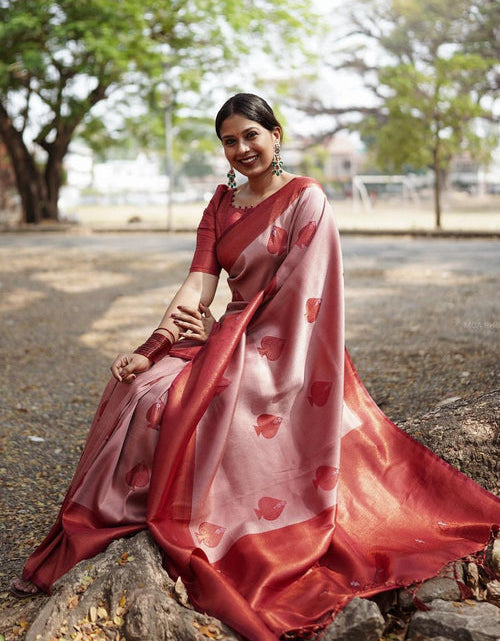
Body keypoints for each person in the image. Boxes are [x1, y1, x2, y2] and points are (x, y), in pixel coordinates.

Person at [11, 93, 500, 641]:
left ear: (276, 135)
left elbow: (303, 299)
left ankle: (210, 519)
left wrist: (221, 334)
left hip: (290, 346)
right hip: (230, 335)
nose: (242, 148)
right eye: (230, 140)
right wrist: (155, 343)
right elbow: (199, 280)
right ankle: (128, 512)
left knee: (186, 406)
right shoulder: (221, 203)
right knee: (143, 389)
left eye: (251, 135)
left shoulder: (306, 199)